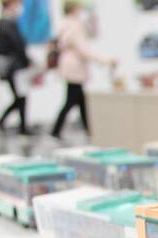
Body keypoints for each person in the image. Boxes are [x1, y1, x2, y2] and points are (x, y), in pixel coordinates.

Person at [51, 0, 116, 140]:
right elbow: (83, 50)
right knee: (72, 100)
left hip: (70, 67)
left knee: (80, 101)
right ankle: (57, 130)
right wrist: (104, 60)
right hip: (74, 68)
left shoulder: (65, 24)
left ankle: (88, 130)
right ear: (74, 8)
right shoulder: (74, 26)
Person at [0, 0, 32, 135]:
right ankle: (21, 127)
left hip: (14, 66)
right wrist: (26, 61)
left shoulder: (5, 23)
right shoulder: (7, 23)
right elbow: (17, 44)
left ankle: (8, 122)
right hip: (14, 66)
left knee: (20, 97)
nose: (19, 8)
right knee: (20, 97)